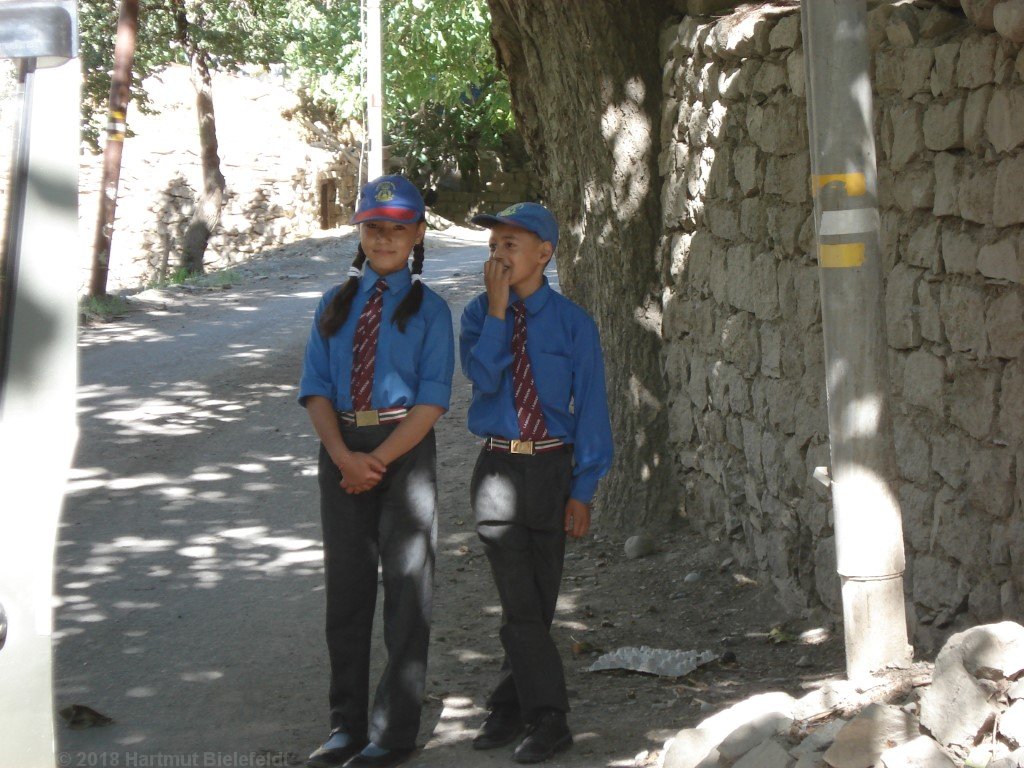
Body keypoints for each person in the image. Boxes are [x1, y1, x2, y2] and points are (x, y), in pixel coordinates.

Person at [299, 175, 454, 768]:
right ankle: (346, 726)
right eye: (373, 227)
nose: (384, 238)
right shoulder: (333, 304)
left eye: (397, 228)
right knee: (348, 590)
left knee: (407, 591)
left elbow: (433, 400)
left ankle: (393, 732)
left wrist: (379, 461)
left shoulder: (431, 311)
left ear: (416, 235)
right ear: (358, 233)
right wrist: (343, 457)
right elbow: (315, 388)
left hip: (404, 451)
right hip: (341, 450)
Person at [459, 202, 614, 764]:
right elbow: (482, 377)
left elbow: (592, 407)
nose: (499, 254)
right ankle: (551, 718)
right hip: (498, 469)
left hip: (553, 468)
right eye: (494, 246)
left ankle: (507, 702)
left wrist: (584, 490)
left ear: (544, 254)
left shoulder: (574, 324)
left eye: (511, 244)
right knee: (519, 599)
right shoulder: (478, 315)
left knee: (538, 601)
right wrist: (498, 311)